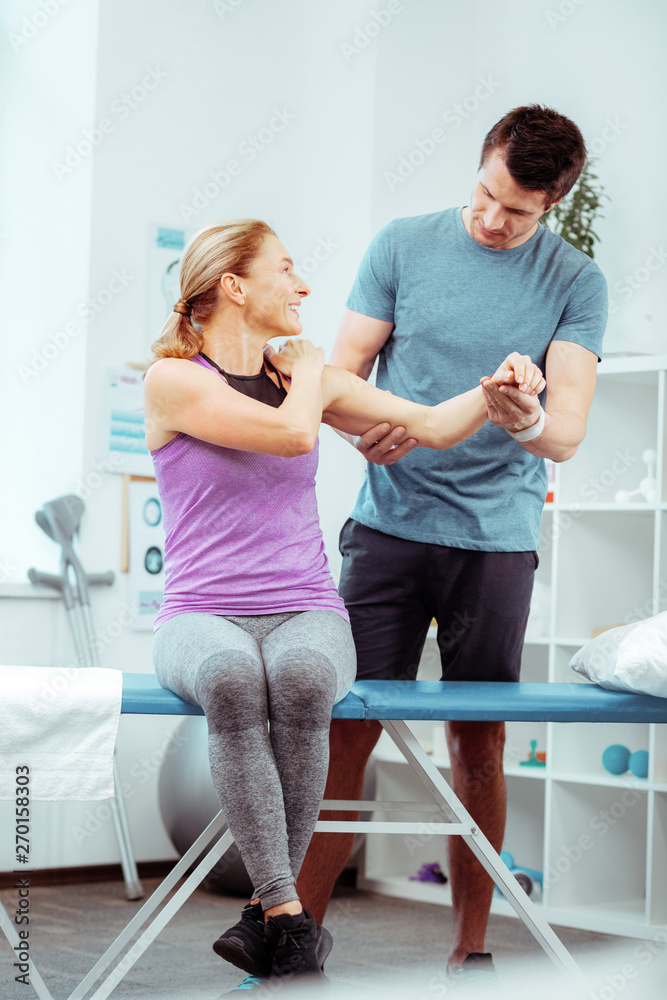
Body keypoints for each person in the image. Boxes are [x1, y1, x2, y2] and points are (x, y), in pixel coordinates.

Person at [143, 218, 546, 993]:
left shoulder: (307, 380)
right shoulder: (174, 379)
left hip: (304, 607)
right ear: (233, 286)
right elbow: (292, 440)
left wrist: (495, 387)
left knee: (301, 683)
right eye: (286, 271)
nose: (301, 287)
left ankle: (271, 923)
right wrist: (311, 374)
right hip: (199, 614)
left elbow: (427, 425)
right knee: (230, 678)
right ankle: (287, 914)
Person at [293, 104, 608, 986]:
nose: (489, 220)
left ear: (554, 201)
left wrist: (529, 416)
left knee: (478, 745)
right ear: (478, 167)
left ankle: (471, 947)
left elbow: (568, 432)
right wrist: (364, 431)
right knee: (345, 729)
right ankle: (296, 935)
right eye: (483, 194)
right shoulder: (402, 244)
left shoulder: (576, 281)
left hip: (493, 545)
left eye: (514, 211)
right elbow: (337, 375)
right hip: (389, 529)